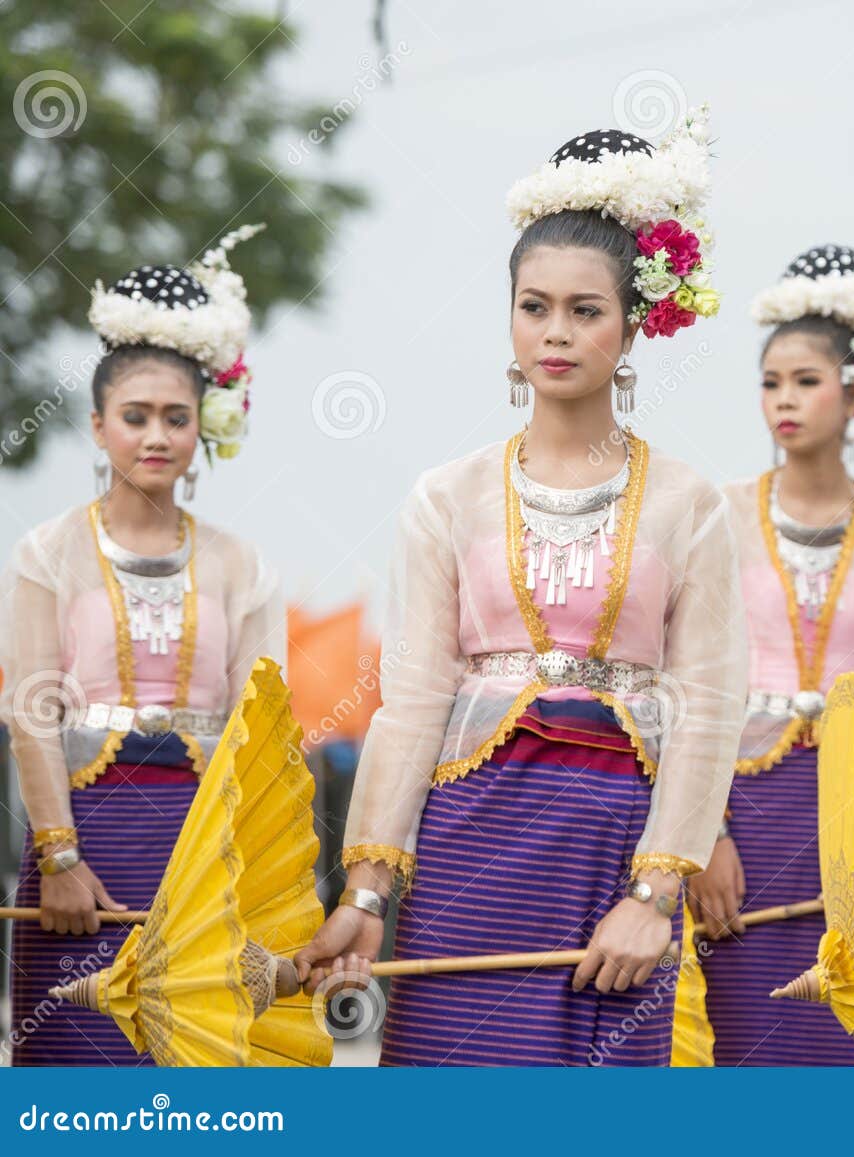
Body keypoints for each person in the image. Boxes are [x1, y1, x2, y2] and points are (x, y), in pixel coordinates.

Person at [293, 107, 747, 1066]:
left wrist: (655, 896)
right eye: (534, 306)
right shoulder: (445, 496)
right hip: (468, 842)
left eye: (586, 311)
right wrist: (368, 892)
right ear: (508, 316)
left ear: (634, 326)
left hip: (614, 849)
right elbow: (412, 701)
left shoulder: (688, 503)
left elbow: (707, 707)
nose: (557, 332)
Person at [0, 229, 282, 1065]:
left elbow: (263, 733)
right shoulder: (48, 552)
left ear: (203, 427)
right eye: (135, 416)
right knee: (81, 1074)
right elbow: (31, 713)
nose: (155, 436)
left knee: (197, 1073)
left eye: (175, 418)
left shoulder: (242, 563)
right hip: (83, 851)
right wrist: (59, 856)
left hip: (203, 851)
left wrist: (253, 880)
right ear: (97, 425)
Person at [686, 244, 854, 1065]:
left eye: (805, 380)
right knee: (739, 1031)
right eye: (771, 382)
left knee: (844, 1028)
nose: (785, 400)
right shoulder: (715, 517)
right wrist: (703, 833)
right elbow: (687, 685)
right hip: (742, 822)